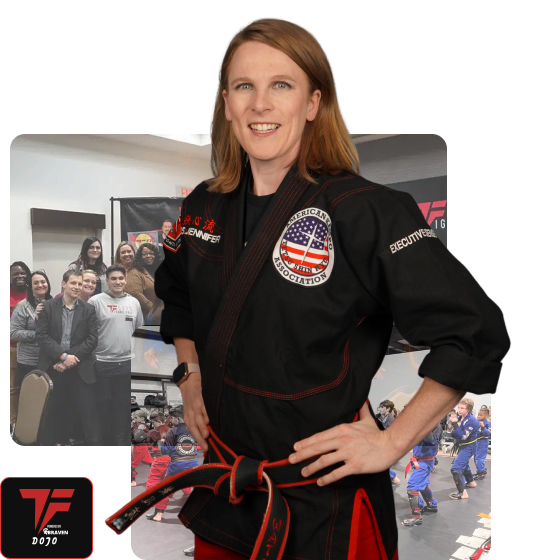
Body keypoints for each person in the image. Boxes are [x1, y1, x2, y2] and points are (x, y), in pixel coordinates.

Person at [106, 18, 510, 560]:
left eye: (282, 84)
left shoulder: (368, 212)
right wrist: (189, 374)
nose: (260, 104)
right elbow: (178, 295)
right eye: (243, 86)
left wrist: (392, 442)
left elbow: (476, 333)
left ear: (314, 101)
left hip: (323, 503)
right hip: (227, 489)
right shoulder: (203, 204)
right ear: (226, 103)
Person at [35, 270, 101, 446]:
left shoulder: (88, 309)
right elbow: (42, 336)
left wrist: (70, 360)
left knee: (88, 416)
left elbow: (92, 339)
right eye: (73, 283)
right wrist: (63, 356)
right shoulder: (48, 307)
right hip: (52, 367)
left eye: (80, 284)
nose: (77, 287)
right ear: (64, 284)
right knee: (51, 416)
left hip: (80, 368)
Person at [89, 265, 144, 446]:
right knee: (102, 406)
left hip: (127, 363)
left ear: (126, 280)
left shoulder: (134, 302)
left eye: (121, 278)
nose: (117, 282)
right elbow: (87, 331)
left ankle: (120, 441)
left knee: (123, 406)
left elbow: (140, 332)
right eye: (113, 279)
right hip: (103, 363)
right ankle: (103, 441)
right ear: (107, 281)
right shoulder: (95, 301)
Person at [10, 270, 53, 428]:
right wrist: (38, 335)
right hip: (28, 361)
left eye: (43, 282)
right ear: (31, 286)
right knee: (29, 402)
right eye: (36, 283)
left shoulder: (54, 303)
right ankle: (25, 434)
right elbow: (13, 333)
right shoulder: (23, 306)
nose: (40, 285)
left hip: (49, 360)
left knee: (48, 402)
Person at [145, 407, 198, 522]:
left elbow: (165, 451)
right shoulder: (194, 430)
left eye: (172, 418)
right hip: (193, 464)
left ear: (178, 419)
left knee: (165, 490)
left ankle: (158, 514)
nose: (170, 420)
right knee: (200, 489)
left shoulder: (173, 431)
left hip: (178, 465)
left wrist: (162, 445)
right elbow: (198, 447)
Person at [402, 421, 442, 527]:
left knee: (412, 486)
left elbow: (430, 442)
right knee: (423, 484)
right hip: (419, 460)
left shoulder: (436, 426)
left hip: (425, 461)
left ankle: (416, 517)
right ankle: (432, 505)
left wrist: (425, 426)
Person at [10, 261, 32, 433]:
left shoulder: (34, 293)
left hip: (32, 350)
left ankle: (30, 423)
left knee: (31, 387)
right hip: (12, 347)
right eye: (15, 274)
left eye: (23, 273)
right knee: (13, 388)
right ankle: (13, 423)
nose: (20, 276)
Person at [449, 398, 480, 499]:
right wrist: (453, 427)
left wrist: (454, 425)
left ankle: (462, 492)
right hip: (462, 446)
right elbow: (454, 433)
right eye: (458, 407)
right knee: (465, 465)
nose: (459, 410)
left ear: (469, 409)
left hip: (468, 447)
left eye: (462, 408)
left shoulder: (472, 421)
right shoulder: (460, 418)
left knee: (456, 468)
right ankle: (471, 482)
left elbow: (463, 436)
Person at [125, 243, 163, 322]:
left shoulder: (161, 271)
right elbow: (135, 293)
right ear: (140, 257)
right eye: (145, 254)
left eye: (151, 253)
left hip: (164, 316)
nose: (149, 256)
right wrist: (154, 311)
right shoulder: (135, 272)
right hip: (146, 318)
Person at [473, 409, 491, 480]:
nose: (479, 416)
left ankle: (480, 473)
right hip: (476, 442)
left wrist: (483, 427)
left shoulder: (487, 423)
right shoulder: (477, 422)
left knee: (479, 458)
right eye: (478, 415)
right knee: (475, 458)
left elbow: (488, 433)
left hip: (483, 442)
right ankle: (481, 469)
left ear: (486, 415)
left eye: (481, 415)